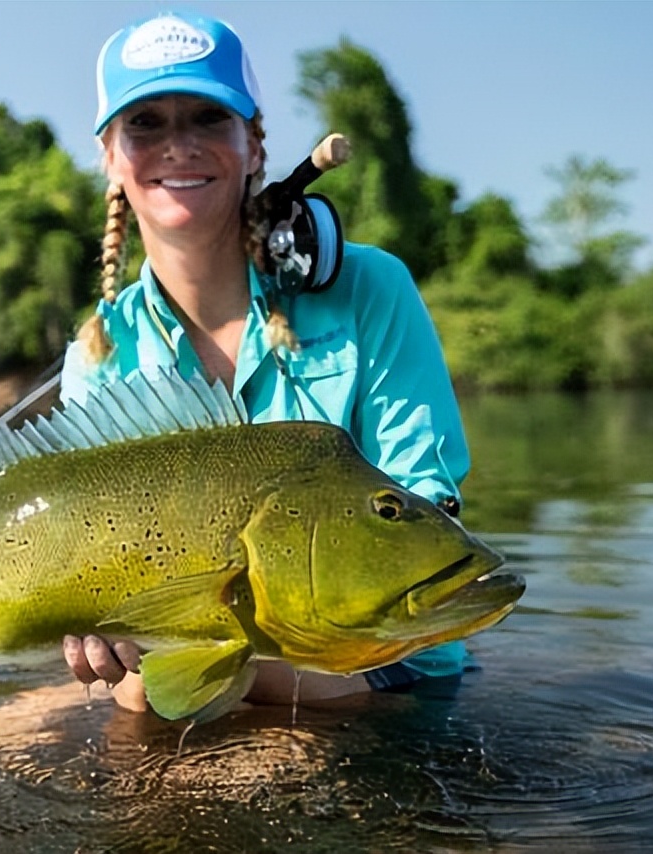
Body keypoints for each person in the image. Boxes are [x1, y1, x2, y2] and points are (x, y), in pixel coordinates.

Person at [59, 11, 472, 712]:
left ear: (254, 145)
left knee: (151, 712)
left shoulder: (371, 288)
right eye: (146, 125)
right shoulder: (97, 355)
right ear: (109, 155)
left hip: (376, 673)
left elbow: (426, 502)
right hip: (186, 682)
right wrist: (87, 628)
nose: (178, 146)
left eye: (207, 119)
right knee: (126, 701)